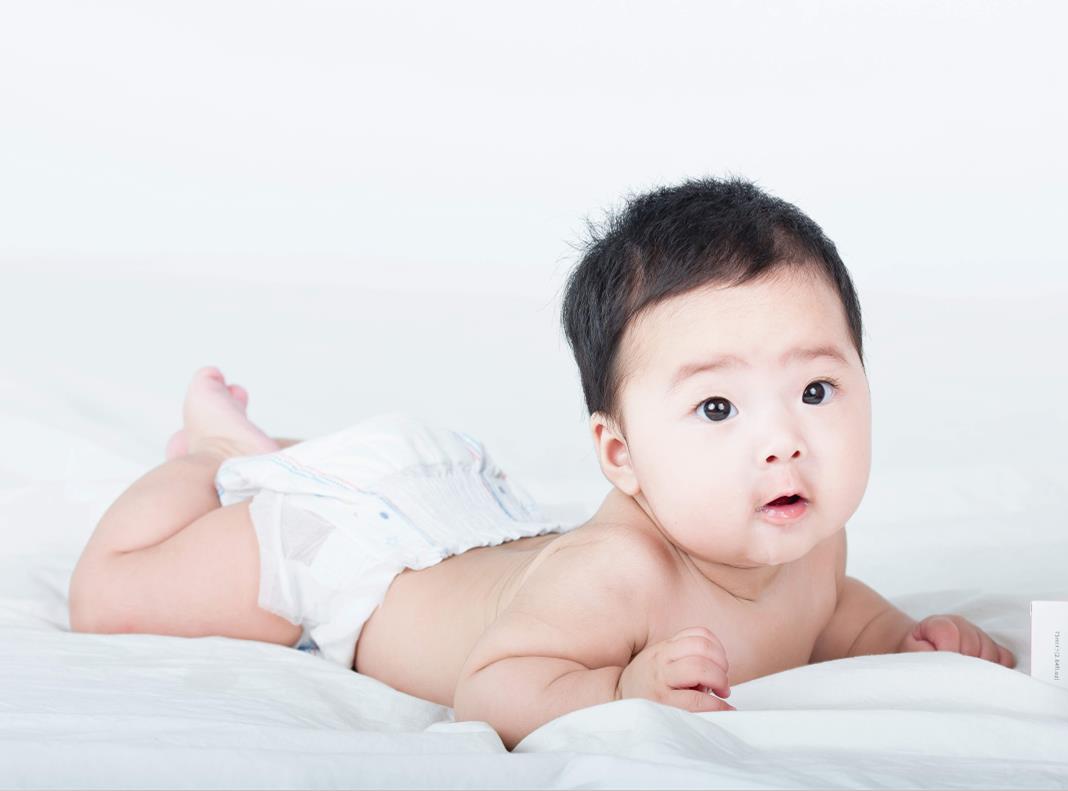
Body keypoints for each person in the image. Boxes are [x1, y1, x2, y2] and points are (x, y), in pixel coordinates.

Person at [68, 175, 1016, 750]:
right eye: (717, 407)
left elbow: (827, 611)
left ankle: (273, 450)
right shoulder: (618, 572)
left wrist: (899, 637)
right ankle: (216, 455)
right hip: (359, 556)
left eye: (815, 389)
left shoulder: (808, 533)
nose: (784, 441)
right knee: (112, 598)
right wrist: (618, 692)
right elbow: (493, 684)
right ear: (621, 454)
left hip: (480, 530)